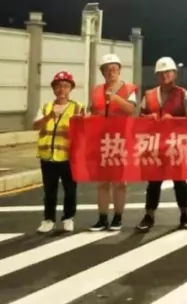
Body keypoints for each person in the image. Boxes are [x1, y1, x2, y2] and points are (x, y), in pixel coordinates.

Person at [136, 57, 187, 231]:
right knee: (153, 182)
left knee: (180, 181)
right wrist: (149, 118)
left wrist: (174, 119)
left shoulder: (184, 94)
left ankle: (184, 215)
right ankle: (149, 216)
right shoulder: (149, 95)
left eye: (168, 72)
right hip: (154, 145)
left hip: (176, 144)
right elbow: (140, 118)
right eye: (161, 73)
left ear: (175, 74)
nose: (164, 75)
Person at [87, 53, 138, 232]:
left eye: (114, 69)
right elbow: (93, 112)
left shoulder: (129, 89)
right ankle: (102, 218)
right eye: (107, 70)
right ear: (103, 72)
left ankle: (117, 217)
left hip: (121, 140)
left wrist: (115, 98)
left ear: (119, 70)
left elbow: (131, 109)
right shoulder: (96, 90)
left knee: (120, 181)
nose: (111, 72)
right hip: (101, 141)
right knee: (102, 182)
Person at [34, 71, 84, 233]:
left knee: (70, 190)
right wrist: (48, 117)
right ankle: (48, 219)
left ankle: (68, 218)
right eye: (58, 86)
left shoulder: (78, 107)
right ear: (54, 88)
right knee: (49, 191)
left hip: (69, 157)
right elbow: (35, 126)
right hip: (48, 157)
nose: (62, 89)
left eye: (65, 86)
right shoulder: (46, 107)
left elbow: (85, 130)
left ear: (70, 89)